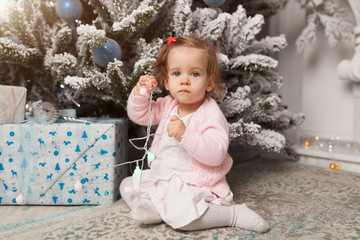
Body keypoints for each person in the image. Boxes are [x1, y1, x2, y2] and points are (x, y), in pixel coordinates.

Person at [120, 35, 269, 233]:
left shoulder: (210, 113)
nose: (184, 81)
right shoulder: (168, 105)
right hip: (163, 176)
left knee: (185, 220)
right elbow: (141, 116)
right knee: (127, 185)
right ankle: (157, 208)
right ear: (166, 81)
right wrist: (140, 93)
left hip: (193, 184)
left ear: (209, 83)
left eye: (195, 74)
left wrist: (185, 135)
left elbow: (216, 154)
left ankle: (232, 215)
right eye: (176, 73)